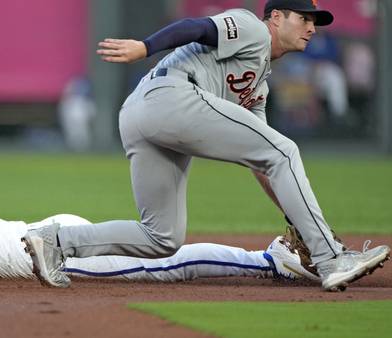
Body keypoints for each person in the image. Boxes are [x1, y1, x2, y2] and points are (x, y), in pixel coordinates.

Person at [20, 0, 390, 291]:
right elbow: (196, 26)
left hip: (139, 115)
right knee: (286, 149)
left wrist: (297, 220)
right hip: (170, 96)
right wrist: (145, 47)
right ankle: (331, 260)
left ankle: (54, 240)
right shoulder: (254, 29)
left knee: (161, 237)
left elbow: (263, 164)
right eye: (303, 17)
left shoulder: (258, 85)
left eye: (315, 21)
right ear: (276, 17)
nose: (312, 27)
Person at [0, 160, 319, 284]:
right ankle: (272, 258)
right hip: (45, 231)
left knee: (169, 263)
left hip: (49, 254)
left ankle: (271, 262)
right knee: (157, 254)